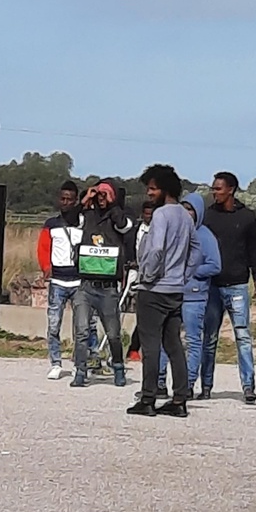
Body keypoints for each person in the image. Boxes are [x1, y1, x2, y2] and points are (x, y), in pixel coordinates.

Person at [127, 164, 200, 418]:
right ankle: (179, 399)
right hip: (175, 290)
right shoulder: (184, 216)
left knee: (150, 345)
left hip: (154, 290)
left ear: (165, 189)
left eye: (152, 188)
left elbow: (156, 249)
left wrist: (148, 275)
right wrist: (183, 275)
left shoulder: (161, 215)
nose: (149, 193)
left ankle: (148, 398)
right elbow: (196, 250)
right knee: (174, 345)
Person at [200, 171, 256, 404]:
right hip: (212, 286)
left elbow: (254, 248)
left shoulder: (247, 217)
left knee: (243, 336)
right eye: (213, 188)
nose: (214, 192)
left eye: (218, 189)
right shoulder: (208, 217)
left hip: (237, 284)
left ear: (231, 190)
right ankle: (206, 385)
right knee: (209, 338)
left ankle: (248, 386)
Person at [156, 192, 220, 400]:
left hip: (194, 297)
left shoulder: (206, 236)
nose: (186, 212)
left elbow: (214, 265)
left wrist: (190, 271)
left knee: (193, 342)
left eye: (190, 209)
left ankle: (188, 385)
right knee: (167, 340)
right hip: (171, 294)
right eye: (183, 207)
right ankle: (159, 383)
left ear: (198, 212)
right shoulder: (173, 232)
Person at [70, 179, 132, 388]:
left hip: (108, 289)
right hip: (86, 285)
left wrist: (113, 205)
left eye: (106, 193)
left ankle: (118, 366)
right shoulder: (86, 216)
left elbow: (124, 227)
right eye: (99, 193)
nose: (101, 197)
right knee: (81, 331)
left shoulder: (120, 217)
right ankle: (80, 370)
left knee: (113, 334)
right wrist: (85, 199)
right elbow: (69, 218)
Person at [37, 180, 85, 381]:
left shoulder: (84, 223)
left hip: (79, 281)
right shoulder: (51, 224)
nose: (65, 202)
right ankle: (56, 362)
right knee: (54, 324)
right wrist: (46, 267)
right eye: (62, 198)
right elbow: (43, 248)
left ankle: (79, 363)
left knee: (81, 327)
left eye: (69, 199)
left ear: (76, 201)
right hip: (57, 280)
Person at [125, 200, 155, 362]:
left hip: (153, 277)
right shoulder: (135, 230)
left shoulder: (160, 230)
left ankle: (137, 347)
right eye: (146, 213)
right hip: (135, 274)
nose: (149, 217)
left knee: (148, 315)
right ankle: (131, 349)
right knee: (139, 313)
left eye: (152, 214)